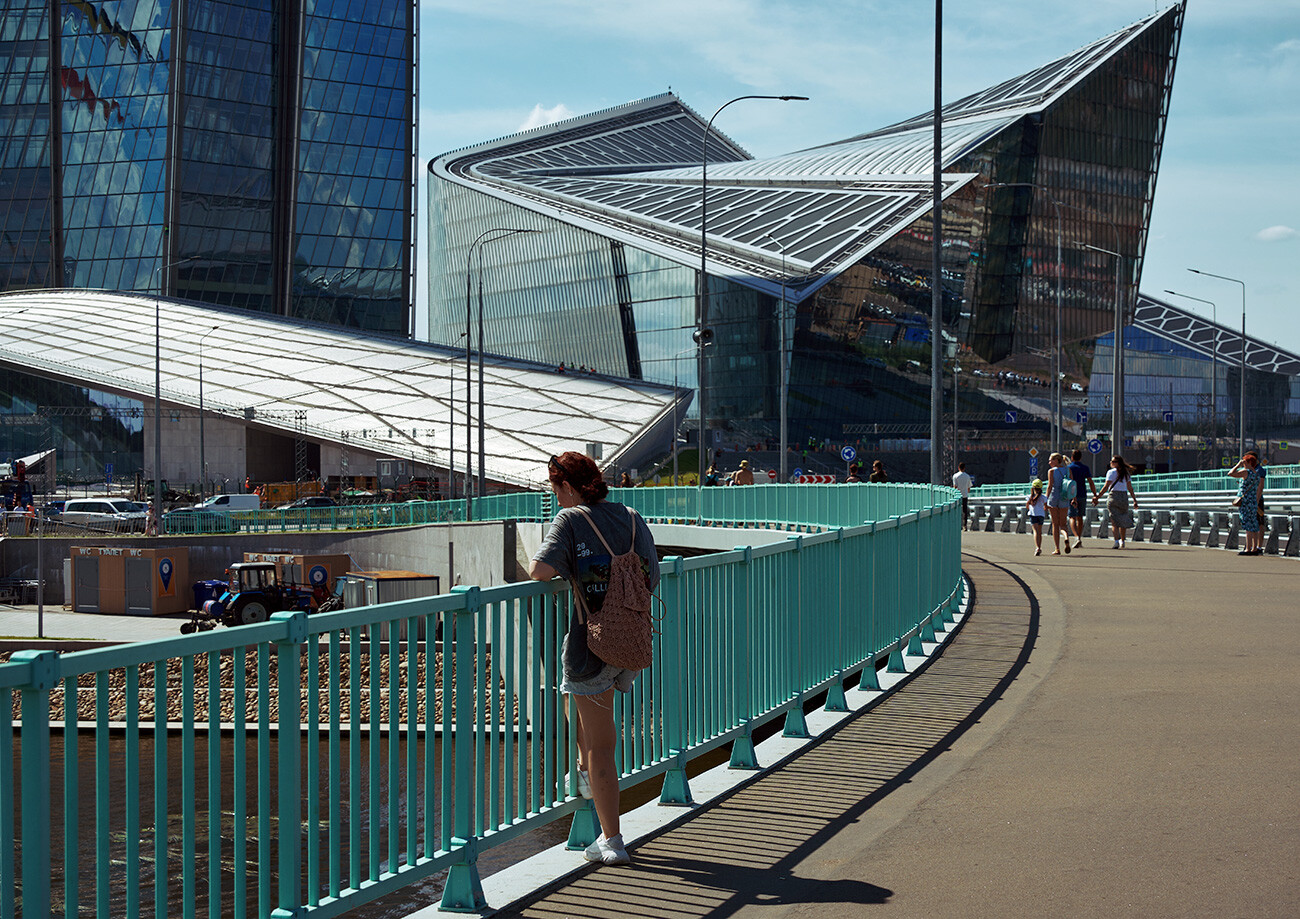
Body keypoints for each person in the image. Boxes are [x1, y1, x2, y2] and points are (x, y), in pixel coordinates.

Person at [529, 451, 660, 866]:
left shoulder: (570, 520)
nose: (556, 498)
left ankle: (612, 840)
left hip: (593, 646)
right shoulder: (632, 517)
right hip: (631, 641)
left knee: (601, 745)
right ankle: (585, 775)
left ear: (566, 486)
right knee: (576, 701)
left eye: (555, 490)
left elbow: (539, 571)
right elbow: (651, 576)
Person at [1093, 454, 1138, 548]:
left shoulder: (1111, 472)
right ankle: (1123, 541)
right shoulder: (1126, 473)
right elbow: (1130, 488)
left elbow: (1106, 487)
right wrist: (1134, 500)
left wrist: (1098, 497)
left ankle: (1116, 541)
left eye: (1113, 461)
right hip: (1124, 497)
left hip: (1113, 497)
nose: (1111, 463)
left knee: (1114, 521)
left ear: (1118, 463)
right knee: (1123, 519)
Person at [1228, 451, 1266, 556]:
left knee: (1247, 524)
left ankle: (1248, 549)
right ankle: (1254, 548)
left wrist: (1237, 465)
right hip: (1253, 501)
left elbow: (1230, 473)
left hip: (1246, 502)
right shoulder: (1256, 474)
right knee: (1254, 524)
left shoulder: (1246, 472)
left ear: (1249, 463)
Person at [1066, 449, 1098, 549]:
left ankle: (1076, 537)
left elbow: (1066, 482)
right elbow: (1090, 482)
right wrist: (1095, 494)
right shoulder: (1085, 468)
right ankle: (1079, 537)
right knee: (1080, 517)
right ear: (1080, 457)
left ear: (1072, 457)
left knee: (1072, 517)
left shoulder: (1069, 468)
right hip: (1082, 494)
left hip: (1071, 494)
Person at [1044, 452, 1071, 555]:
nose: (1049, 462)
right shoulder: (1068, 470)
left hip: (1054, 498)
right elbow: (1071, 486)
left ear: (1056, 461)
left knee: (1055, 524)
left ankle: (1057, 549)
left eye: (1051, 460)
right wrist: (1074, 499)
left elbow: (1049, 486)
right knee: (1063, 524)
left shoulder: (1051, 471)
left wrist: (1045, 500)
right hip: (1064, 498)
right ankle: (1066, 537)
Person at [1026, 478, 1047, 556]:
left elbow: (1027, 506)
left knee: (1035, 531)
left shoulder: (1029, 497)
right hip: (1041, 515)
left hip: (1033, 514)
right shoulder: (1043, 497)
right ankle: (1039, 546)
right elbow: (1045, 507)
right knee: (1039, 532)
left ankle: (1037, 547)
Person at [951, 462, 972, 530]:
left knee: (957, 510)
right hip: (965, 495)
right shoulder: (967, 476)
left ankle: (957, 524)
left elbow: (955, 486)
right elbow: (969, 488)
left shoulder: (955, 476)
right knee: (965, 511)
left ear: (958, 468)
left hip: (957, 496)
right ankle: (965, 525)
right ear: (964, 468)